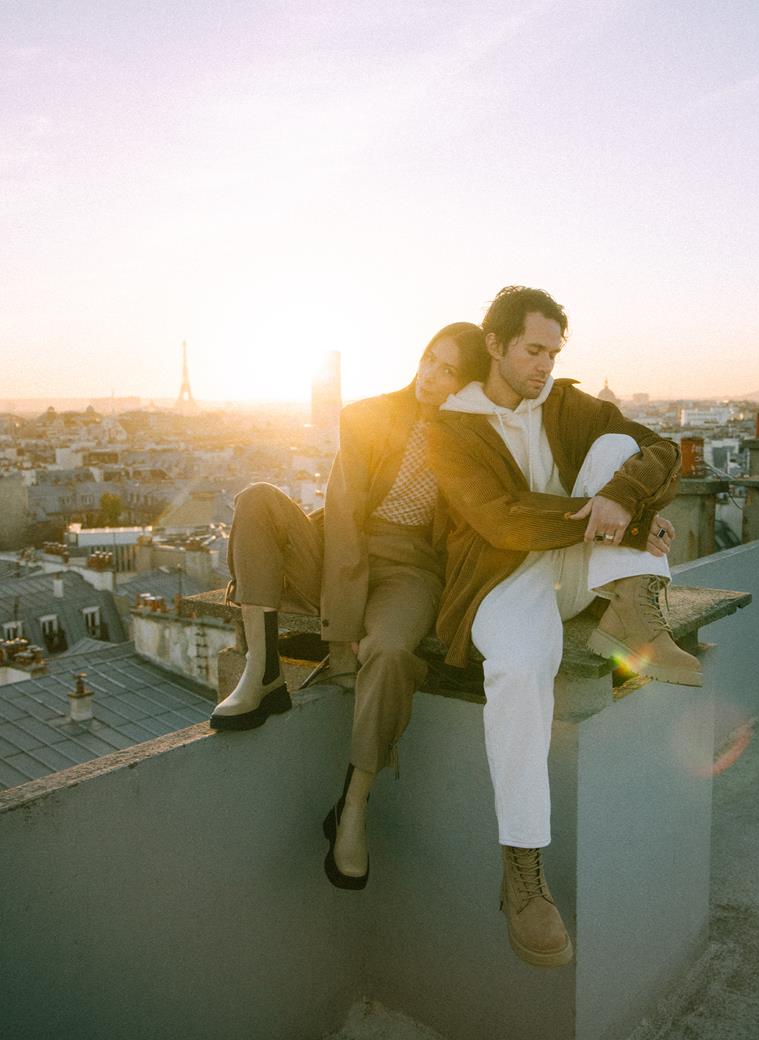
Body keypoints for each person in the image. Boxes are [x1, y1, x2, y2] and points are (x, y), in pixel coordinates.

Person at [427, 286, 698, 967]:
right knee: (519, 671)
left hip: (579, 565)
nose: (545, 365)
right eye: (533, 350)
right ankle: (522, 871)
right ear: (495, 345)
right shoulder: (452, 427)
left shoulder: (569, 404)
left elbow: (663, 451)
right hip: (502, 577)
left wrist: (623, 498)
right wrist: (624, 519)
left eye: (554, 351)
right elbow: (499, 518)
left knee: (617, 446)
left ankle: (632, 612)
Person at [210, 322, 488, 891]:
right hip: (343, 547)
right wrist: (342, 633)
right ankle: (262, 670)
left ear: (468, 385)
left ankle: (354, 804)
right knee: (257, 499)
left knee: (391, 652)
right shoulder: (368, 415)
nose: (430, 375)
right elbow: (342, 515)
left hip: (411, 571)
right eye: (429, 359)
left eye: (449, 371)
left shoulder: (474, 440)